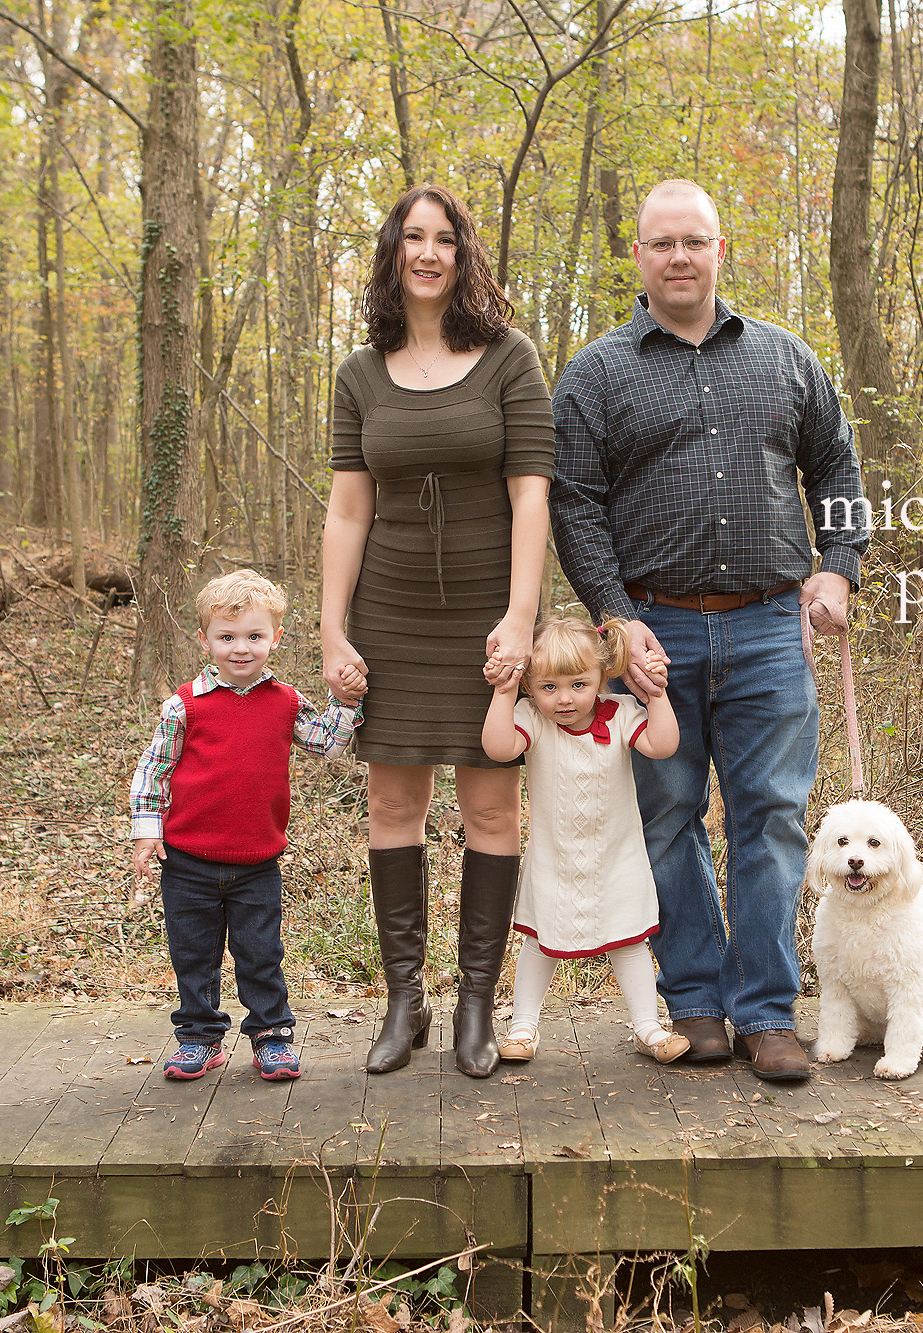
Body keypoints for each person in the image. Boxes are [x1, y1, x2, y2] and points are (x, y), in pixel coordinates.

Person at [549, 179, 869, 1082]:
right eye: (662, 244)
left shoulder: (784, 359)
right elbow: (575, 503)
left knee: (770, 819)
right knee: (667, 817)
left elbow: (836, 463)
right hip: (650, 633)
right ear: (639, 257)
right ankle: (694, 1004)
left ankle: (767, 1010)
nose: (680, 257)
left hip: (770, 625)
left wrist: (838, 563)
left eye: (696, 240)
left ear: (721, 249)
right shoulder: (598, 374)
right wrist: (615, 616)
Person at [322, 183, 554, 1079]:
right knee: (393, 805)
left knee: (491, 803)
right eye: (411, 238)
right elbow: (348, 510)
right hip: (390, 610)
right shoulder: (360, 372)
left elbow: (531, 493)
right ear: (393, 252)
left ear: (463, 255)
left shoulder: (508, 359)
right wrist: (334, 631)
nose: (427, 253)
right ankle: (403, 1000)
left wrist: (521, 617)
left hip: (487, 612)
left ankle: (473, 1005)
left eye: (443, 239)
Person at [128, 569, 361, 1082]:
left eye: (254, 636)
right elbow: (154, 767)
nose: (240, 648)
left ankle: (271, 1035)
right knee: (194, 954)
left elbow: (327, 743)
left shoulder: (286, 702)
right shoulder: (184, 705)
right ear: (204, 639)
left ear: (275, 637)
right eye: (227, 637)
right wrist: (148, 830)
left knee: (260, 953)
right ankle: (199, 1036)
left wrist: (345, 703)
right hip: (187, 861)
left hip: (257, 862)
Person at [479, 616, 690, 1064]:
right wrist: (503, 692)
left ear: (601, 677)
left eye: (578, 684)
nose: (564, 698)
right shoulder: (532, 720)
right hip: (555, 858)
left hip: (617, 856)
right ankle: (522, 1026)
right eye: (548, 687)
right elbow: (498, 748)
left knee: (630, 939)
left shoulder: (620, 714)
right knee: (539, 941)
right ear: (530, 687)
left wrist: (656, 694)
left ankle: (649, 1028)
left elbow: (664, 744)